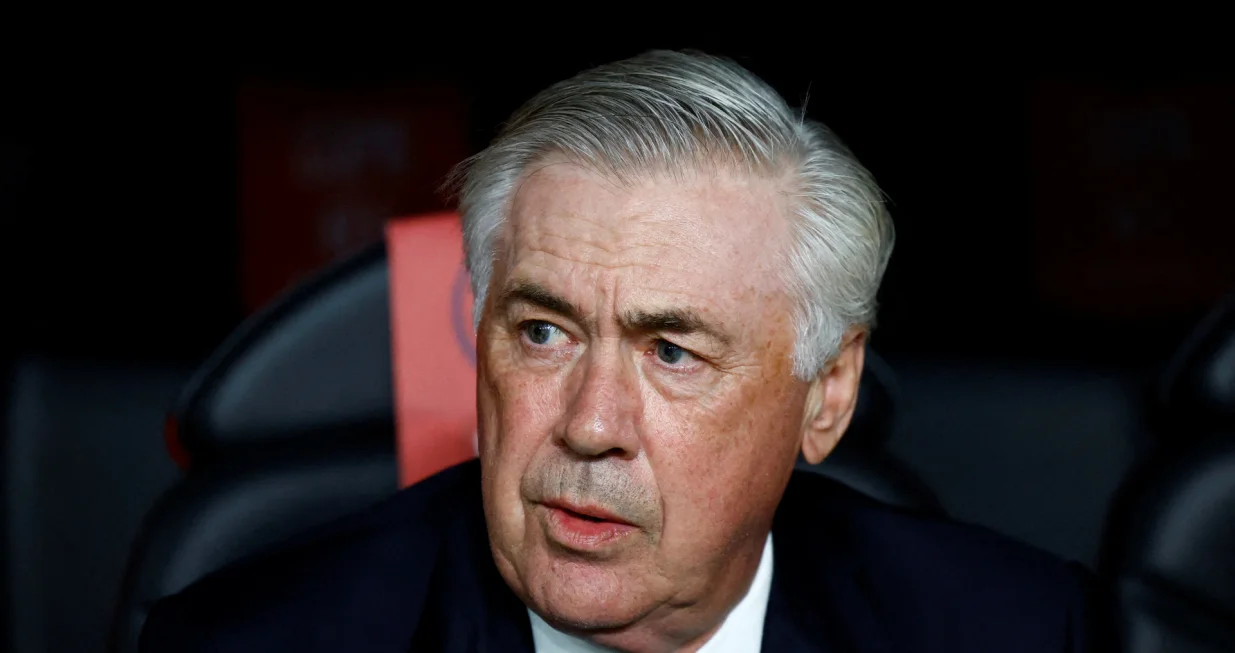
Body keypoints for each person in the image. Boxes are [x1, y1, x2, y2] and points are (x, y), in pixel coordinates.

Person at [141, 50, 1108, 652]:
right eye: (543, 332)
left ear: (827, 394)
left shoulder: (1016, 627)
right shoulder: (249, 640)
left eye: (673, 351)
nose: (590, 424)